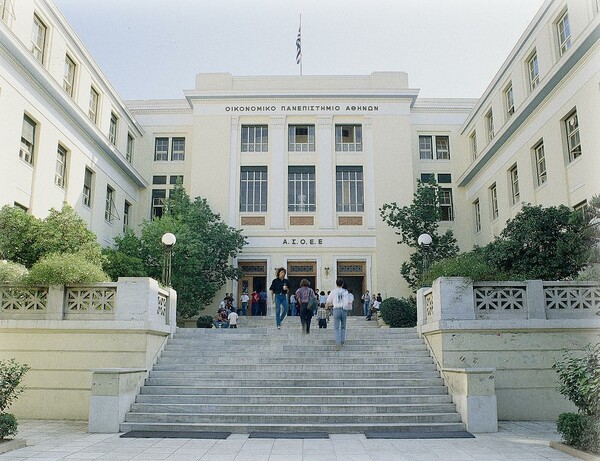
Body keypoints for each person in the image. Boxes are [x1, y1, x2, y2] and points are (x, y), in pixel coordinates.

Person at [326, 278, 349, 350]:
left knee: (336, 327)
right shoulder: (345, 291)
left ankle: (338, 342)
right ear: (342, 284)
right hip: (344, 309)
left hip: (336, 309)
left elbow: (328, 301)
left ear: (336, 284)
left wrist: (326, 309)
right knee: (343, 326)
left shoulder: (333, 291)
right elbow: (348, 301)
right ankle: (342, 340)